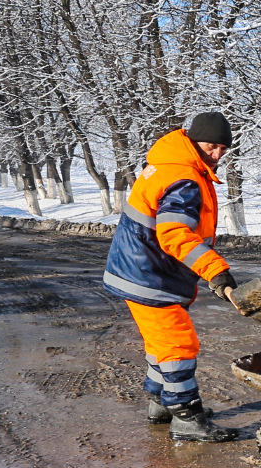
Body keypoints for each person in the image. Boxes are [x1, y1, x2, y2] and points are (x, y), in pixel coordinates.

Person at [102, 112, 241, 443]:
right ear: (194, 142)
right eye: (212, 147)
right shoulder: (184, 178)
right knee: (179, 344)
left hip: (140, 270)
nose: (218, 155)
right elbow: (175, 235)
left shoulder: (170, 165)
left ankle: (162, 403)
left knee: (160, 344)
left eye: (223, 149)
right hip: (150, 274)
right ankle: (187, 416)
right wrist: (217, 271)